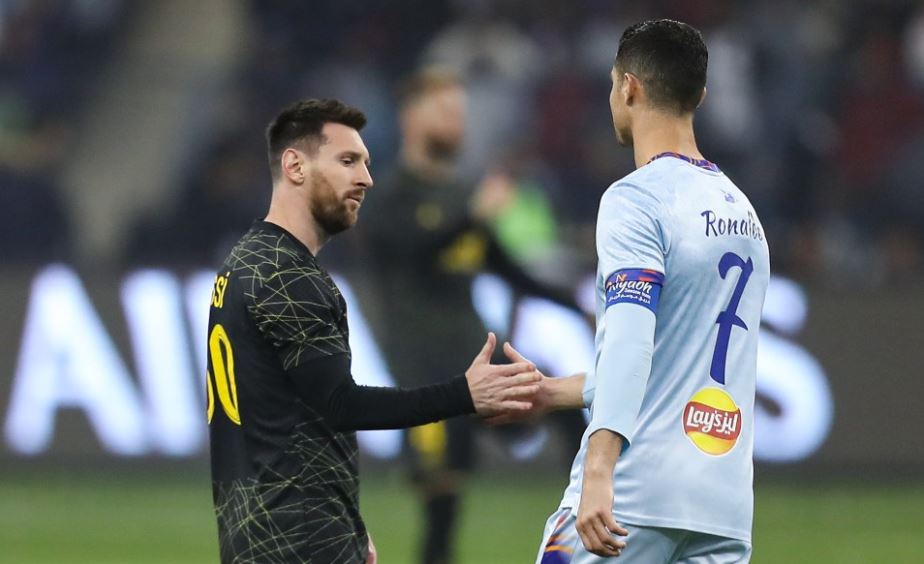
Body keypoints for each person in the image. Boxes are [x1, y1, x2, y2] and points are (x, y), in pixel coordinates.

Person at [204, 98, 541, 564]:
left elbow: (292, 416)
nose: (366, 178)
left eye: (365, 162)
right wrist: (465, 394)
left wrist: (346, 524)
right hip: (299, 541)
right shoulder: (288, 277)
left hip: (260, 532)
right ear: (295, 166)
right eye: (347, 161)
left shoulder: (246, 261)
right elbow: (343, 405)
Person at [505, 20, 771, 563]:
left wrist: (599, 471)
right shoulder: (744, 214)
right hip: (722, 508)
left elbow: (630, 343)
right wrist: (557, 392)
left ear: (628, 88)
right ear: (700, 95)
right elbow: (678, 364)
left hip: (635, 492)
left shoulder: (637, 199)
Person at [359, 67, 581, 564]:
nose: (455, 123)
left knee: (565, 405)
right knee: (442, 511)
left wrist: (580, 304)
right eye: (444, 111)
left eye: (459, 114)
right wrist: (474, 215)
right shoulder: (389, 195)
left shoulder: (461, 194)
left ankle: (584, 522)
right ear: (411, 117)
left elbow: (507, 269)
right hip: (425, 379)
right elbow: (411, 252)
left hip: (477, 358)